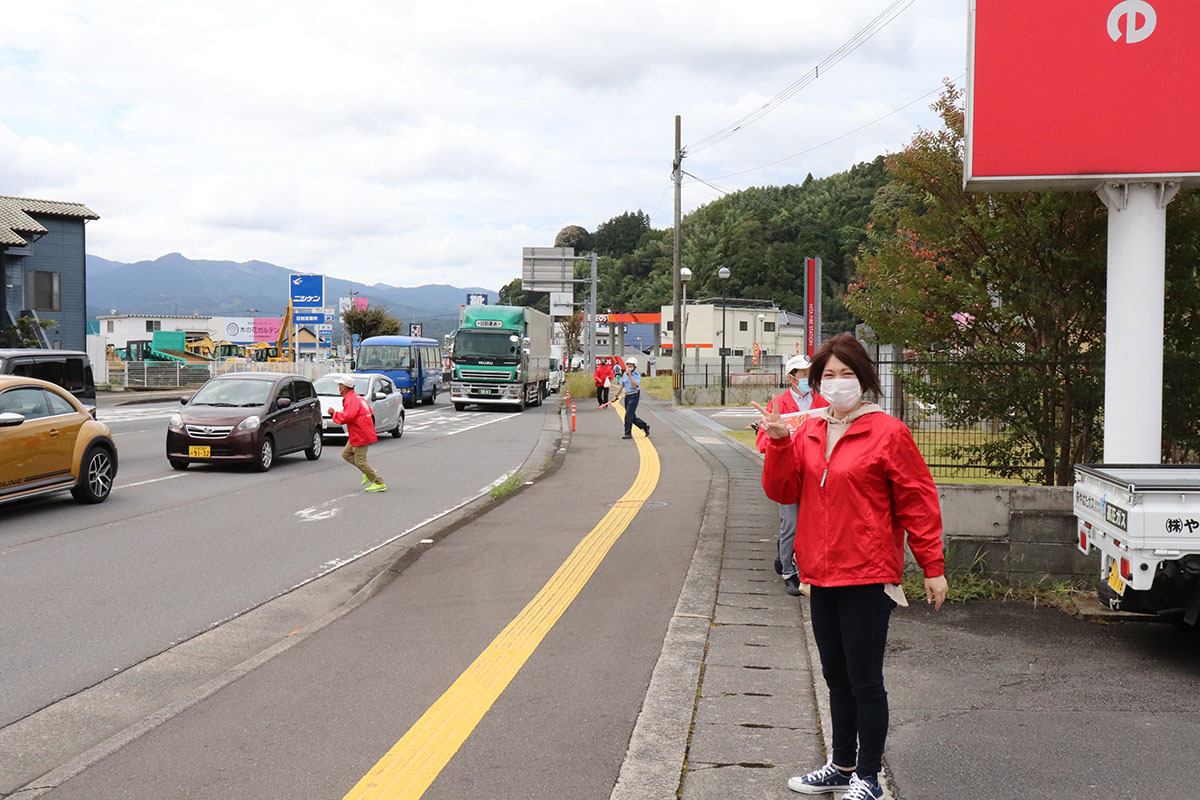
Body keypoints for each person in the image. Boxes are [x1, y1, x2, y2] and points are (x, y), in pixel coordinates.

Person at [753, 334, 947, 800]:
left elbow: (917, 501)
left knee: (865, 682)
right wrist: (778, 444)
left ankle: (869, 778)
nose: (837, 383)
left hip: (867, 574)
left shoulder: (888, 432)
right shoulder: (809, 429)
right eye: (828, 375)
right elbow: (783, 491)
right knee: (835, 677)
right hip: (820, 574)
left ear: (864, 379)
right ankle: (841, 766)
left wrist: (932, 565)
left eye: (847, 374)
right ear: (816, 382)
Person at [756, 354, 829, 597]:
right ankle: (789, 572)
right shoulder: (778, 404)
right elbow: (763, 443)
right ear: (791, 378)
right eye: (803, 374)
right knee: (790, 524)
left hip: (815, 473)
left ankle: (802, 565)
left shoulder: (822, 402)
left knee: (813, 524)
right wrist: (777, 436)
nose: (809, 378)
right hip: (788, 474)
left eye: (811, 373)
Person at [329, 375, 386, 493]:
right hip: (359, 431)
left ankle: (378, 482)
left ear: (344, 387)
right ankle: (368, 472)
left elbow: (348, 417)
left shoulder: (351, 399)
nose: (338, 388)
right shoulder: (356, 397)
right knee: (346, 454)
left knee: (360, 461)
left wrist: (334, 414)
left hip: (360, 433)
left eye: (340, 385)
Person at [611, 356, 650, 440]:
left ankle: (627, 433)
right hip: (627, 396)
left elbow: (635, 385)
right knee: (632, 416)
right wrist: (616, 396)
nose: (629, 366)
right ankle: (644, 426)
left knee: (628, 415)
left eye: (631, 365)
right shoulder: (624, 374)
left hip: (634, 395)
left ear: (635, 366)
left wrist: (629, 376)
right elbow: (622, 385)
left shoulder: (637, 375)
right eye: (628, 364)